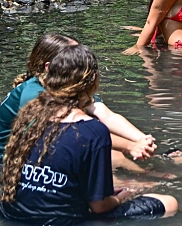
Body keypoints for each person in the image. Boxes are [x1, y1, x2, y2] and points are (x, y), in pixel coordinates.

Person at [0, 45, 178, 223]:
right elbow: (99, 206)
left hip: (12, 212)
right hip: (59, 220)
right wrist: (123, 196)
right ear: (93, 82)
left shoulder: (31, 113)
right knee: (169, 203)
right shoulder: (93, 131)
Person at [0, 33, 156, 166]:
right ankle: (148, 181)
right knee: (112, 156)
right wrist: (129, 146)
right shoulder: (33, 93)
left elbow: (107, 116)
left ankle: (151, 177)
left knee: (108, 151)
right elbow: (65, 132)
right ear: (49, 67)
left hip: (41, 150)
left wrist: (143, 140)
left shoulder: (70, 85)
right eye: (74, 54)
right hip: (9, 163)